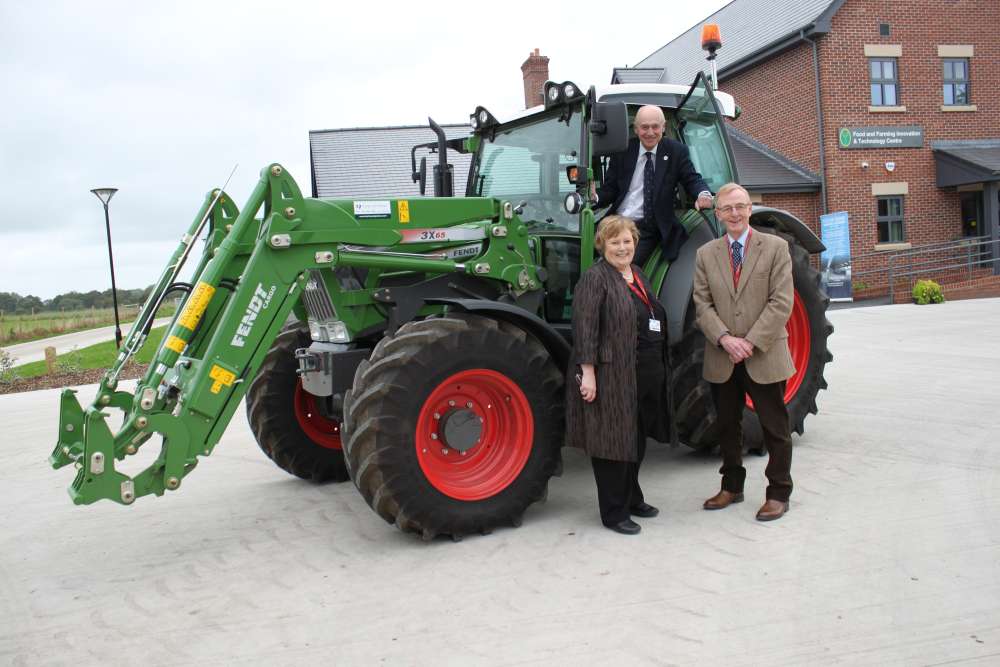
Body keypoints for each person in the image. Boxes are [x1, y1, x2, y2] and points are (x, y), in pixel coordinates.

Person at [692, 183, 796, 521]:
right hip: (723, 354)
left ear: (750, 208)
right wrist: (724, 338)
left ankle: (779, 491)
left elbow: (782, 302)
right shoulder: (706, 254)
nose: (734, 214)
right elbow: (702, 304)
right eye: (727, 209)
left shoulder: (776, 248)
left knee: (774, 427)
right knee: (727, 426)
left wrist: (749, 342)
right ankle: (731, 486)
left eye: (740, 206)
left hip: (763, 353)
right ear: (718, 213)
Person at [565, 215, 670, 535]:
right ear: (602, 245)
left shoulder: (636, 274)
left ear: (635, 243)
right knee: (611, 442)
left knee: (634, 439)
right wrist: (588, 374)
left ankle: (632, 497)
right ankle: (613, 512)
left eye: (627, 241)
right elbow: (584, 329)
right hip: (611, 375)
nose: (622, 248)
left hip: (639, 373)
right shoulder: (595, 279)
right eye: (614, 242)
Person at [594, 105, 713, 266]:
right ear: (636, 129)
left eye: (655, 126)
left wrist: (703, 195)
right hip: (617, 222)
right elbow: (611, 189)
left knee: (619, 266)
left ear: (663, 127)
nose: (650, 132)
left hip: (647, 228)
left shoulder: (676, 151)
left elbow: (692, 179)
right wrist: (594, 196)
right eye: (644, 127)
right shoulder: (623, 151)